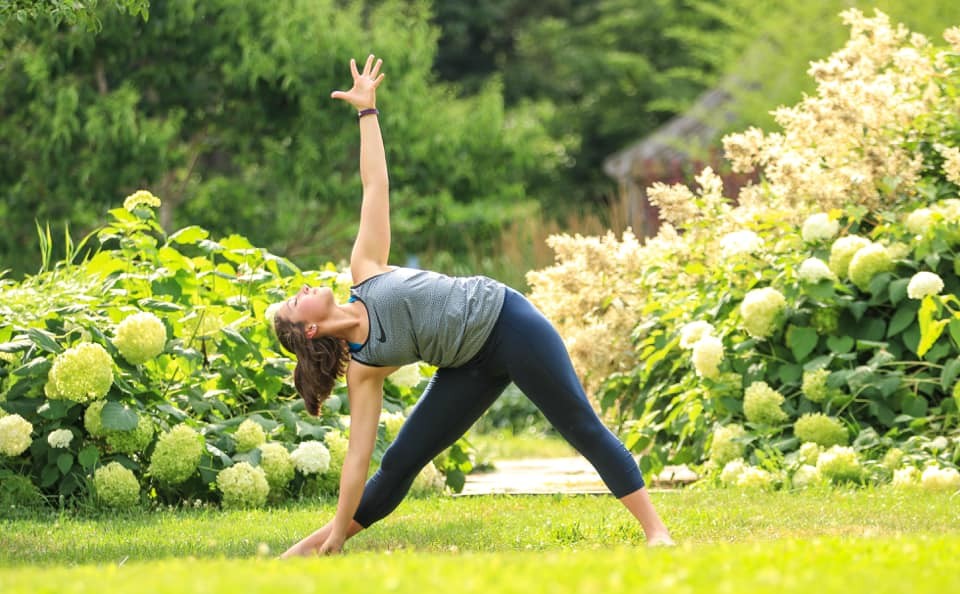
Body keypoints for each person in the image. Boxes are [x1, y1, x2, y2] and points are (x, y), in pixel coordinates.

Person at [273, 55, 674, 557]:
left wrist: (367, 113)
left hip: (508, 323)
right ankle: (318, 546)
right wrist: (336, 527)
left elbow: (375, 186)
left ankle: (657, 532)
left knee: (578, 424)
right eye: (296, 301)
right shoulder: (365, 368)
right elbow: (358, 459)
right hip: (467, 367)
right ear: (308, 331)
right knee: (399, 461)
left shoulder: (365, 270)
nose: (305, 289)